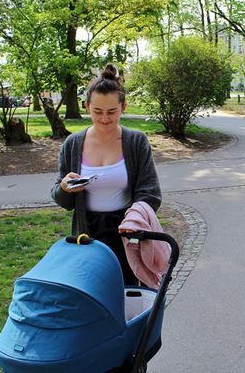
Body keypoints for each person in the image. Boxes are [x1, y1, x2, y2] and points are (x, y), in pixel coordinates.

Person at [51, 63, 162, 286]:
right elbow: (62, 200)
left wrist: (134, 221)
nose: (104, 119)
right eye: (97, 112)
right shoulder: (73, 144)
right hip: (87, 232)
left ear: (123, 107)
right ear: (86, 107)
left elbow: (150, 194)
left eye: (112, 112)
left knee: (127, 294)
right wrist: (64, 188)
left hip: (127, 232)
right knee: (93, 295)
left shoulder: (136, 142)